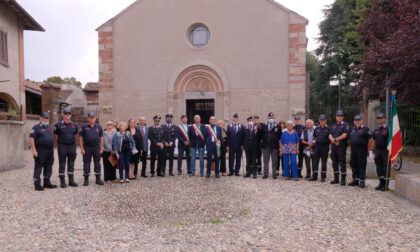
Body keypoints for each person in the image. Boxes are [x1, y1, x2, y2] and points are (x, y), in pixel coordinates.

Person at [29, 112, 57, 191]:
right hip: (40, 150)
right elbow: (31, 139)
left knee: (48, 166)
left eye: (47, 118)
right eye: (44, 118)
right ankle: (37, 184)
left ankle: (47, 182)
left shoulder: (50, 127)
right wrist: (34, 150)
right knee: (38, 167)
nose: (46, 119)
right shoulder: (36, 127)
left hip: (50, 150)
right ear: (40, 118)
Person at [53, 108, 78, 188]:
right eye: (66, 114)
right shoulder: (58, 125)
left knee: (71, 163)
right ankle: (62, 181)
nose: (67, 116)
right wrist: (60, 143)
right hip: (62, 146)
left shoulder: (74, 125)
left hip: (71, 146)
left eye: (69, 114)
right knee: (62, 163)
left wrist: (73, 143)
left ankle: (71, 180)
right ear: (63, 115)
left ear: (70, 115)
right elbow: (56, 136)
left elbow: (76, 136)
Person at [79, 112, 104, 186]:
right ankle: (86, 179)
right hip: (87, 147)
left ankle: (98, 179)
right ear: (87, 118)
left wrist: (102, 147)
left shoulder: (99, 127)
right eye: (90, 117)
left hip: (96, 147)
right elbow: (80, 137)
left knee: (97, 162)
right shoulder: (84, 126)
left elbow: (101, 137)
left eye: (93, 117)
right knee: (86, 162)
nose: (92, 119)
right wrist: (82, 148)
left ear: (95, 118)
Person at [348, 115, 372, 188]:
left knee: (361, 165)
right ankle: (355, 180)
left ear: (361, 121)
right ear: (354, 122)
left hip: (362, 149)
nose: (357, 121)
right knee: (353, 164)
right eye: (356, 120)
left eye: (359, 120)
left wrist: (369, 150)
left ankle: (362, 181)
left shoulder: (366, 129)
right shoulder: (352, 129)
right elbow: (350, 139)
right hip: (353, 150)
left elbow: (371, 140)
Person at [329, 110, 350, 185]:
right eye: (338, 116)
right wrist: (333, 141)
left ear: (343, 117)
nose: (339, 117)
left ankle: (343, 179)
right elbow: (330, 134)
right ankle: (336, 178)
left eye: (341, 116)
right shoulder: (333, 125)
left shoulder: (345, 125)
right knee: (334, 162)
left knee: (342, 162)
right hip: (334, 146)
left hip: (341, 146)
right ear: (336, 117)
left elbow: (344, 135)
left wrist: (335, 139)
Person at [309, 115, 331, 182]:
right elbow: (314, 137)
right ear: (319, 120)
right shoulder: (317, 128)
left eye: (323, 120)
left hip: (325, 147)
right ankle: (314, 176)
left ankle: (323, 177)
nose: (322, 121)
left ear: (326, 121)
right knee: (315, 161)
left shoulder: (329, 129)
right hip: (317, 147)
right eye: (321, 120)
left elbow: (330, 137)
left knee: (324, 162)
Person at [372, 113, 391, 191]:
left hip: (385, 151)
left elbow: (392, 140)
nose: (379, 119)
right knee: (378, 167)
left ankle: (386, 185)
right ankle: (381, 183)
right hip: (378, 150)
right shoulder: (376, 129)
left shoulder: (388, 129)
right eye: (378, 118)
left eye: (381, 118)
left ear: (385, 119)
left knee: (385, 167)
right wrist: (372, 151)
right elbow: (373, 139)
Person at [261, 112, 282, 179]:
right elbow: (261, 135)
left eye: (272, 118)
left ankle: (274, 174)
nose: (271, 119)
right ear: (268, 118)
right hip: (265, 145)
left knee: (274, 160)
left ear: (274, 118)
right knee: (265, 160)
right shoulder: (264, 125)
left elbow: (280, 135)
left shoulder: (278, 126)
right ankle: (265, 173)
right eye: (270, 117)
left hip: (274, 146)